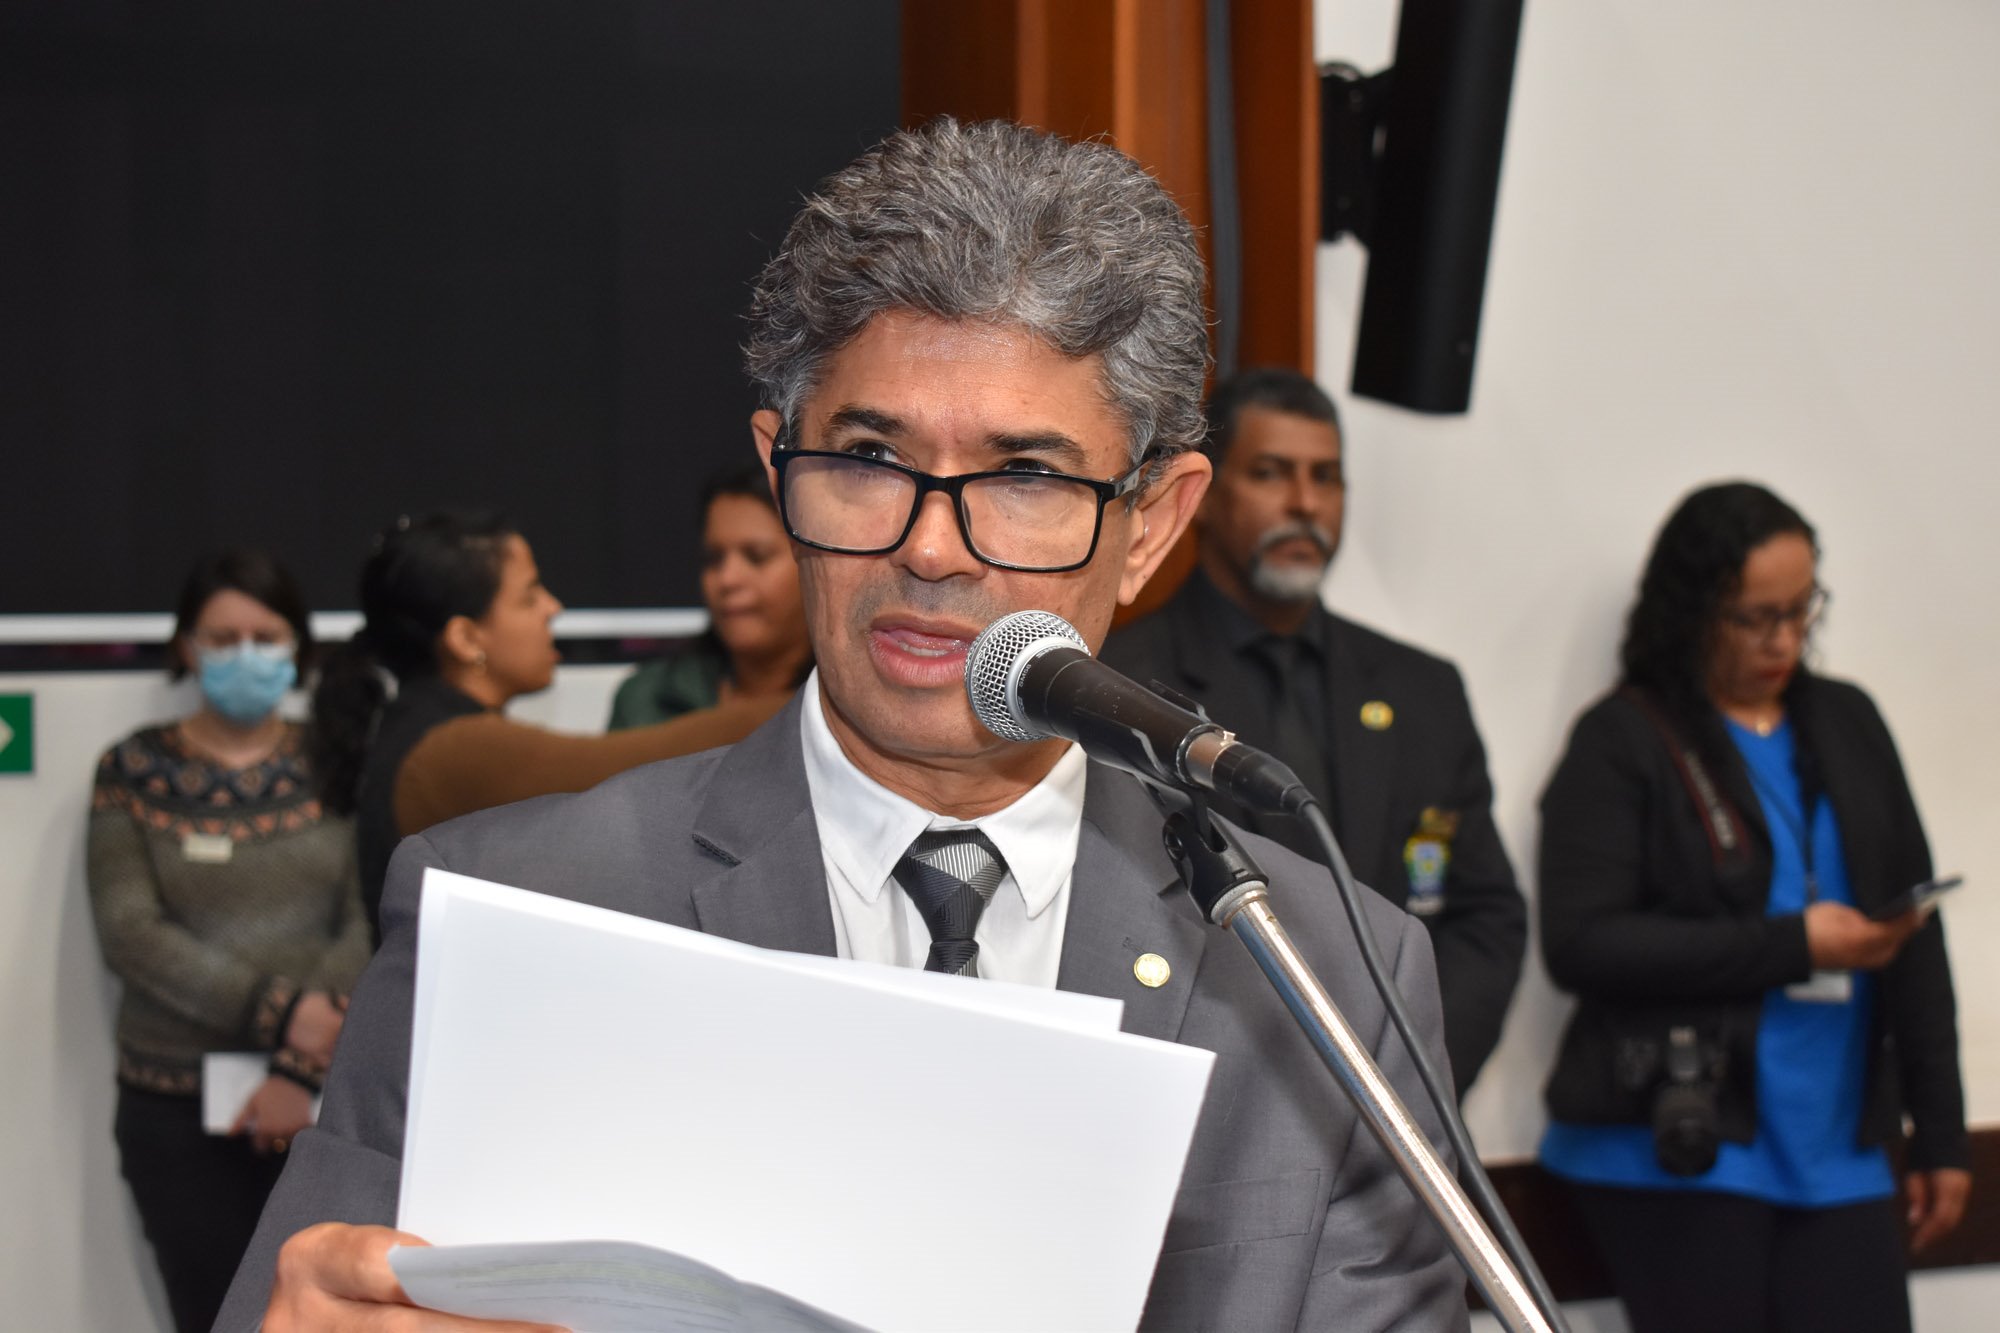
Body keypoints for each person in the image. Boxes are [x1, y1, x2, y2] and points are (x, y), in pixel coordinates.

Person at [220, 119, 1469, 1333]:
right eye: (868, 457)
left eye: (1024, 476)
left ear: (1149, 524)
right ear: (779, 467)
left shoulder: (1322, 978)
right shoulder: (523, 912)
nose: (929, 548)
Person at [1535, 482, 1968, 1333]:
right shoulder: (1622, 738)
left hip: (1837, 1141)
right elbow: (1583, 944)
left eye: (1802, 610)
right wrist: (1794, 944)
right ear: (1691, 611)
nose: (1785, 639)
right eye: (1754, 617)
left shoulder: (1846, 719)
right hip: (1677, 1143)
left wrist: (1943, 1132)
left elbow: (1914, 936)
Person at [1101, 367, 1526, 1092]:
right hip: (1217, 1094)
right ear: (1203, 497)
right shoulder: (1121, 683)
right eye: (1271, 473)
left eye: (1326, 477)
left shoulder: (1423, 690)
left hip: (1401, 1096)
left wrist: (1408, 1076)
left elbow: (1484, 916)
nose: (1304, 503)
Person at [87, 549, 368, 1333]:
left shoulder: (338, 756)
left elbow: (365, 916)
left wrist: (296, 1067)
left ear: (298, 645)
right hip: (176, 1113)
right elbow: (131, 933)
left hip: (323, 1102)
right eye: (222, 637)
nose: (246, 654)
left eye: (266, 636)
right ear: (187, 646)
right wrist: (283, 1014)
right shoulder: (131, 768)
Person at [312, 512, 791, 939]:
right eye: (528, 597)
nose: (552, 607)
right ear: (466, 638)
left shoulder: (423, 728)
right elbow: (635, 763)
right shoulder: (453, 751)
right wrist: (809, 699)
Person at [607, 461, 812, 730]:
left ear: (812, 561)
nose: (727, 579)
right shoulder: (649, 699)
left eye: (756, 557)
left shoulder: (847, 705)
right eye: (713, 559)